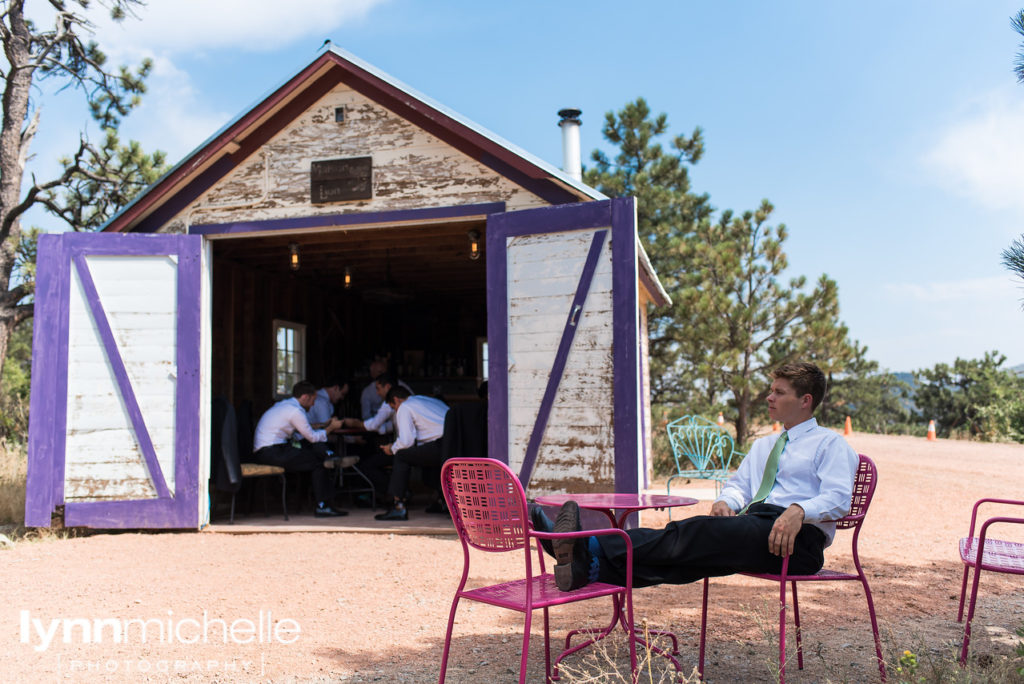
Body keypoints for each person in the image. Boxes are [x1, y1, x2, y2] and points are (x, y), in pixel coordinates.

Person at [534, 362, 859, 592]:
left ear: (805, 401)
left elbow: (838, 498)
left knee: (697, 534)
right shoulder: (765, 445)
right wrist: (725, 501)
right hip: (757, 526)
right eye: (771, 390)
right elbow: (740, 487)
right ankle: (588, 569)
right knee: (694, 559)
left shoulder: (830, 444)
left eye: (779, 392)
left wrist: (799, 511)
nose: (769, 398)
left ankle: (589, 544)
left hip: (797, 542)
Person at [251, 380, 348, 518]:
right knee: (319, 462)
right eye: (313, 400)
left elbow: (301, 432)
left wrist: (323, 425)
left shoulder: (284, 405)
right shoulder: (295, 411)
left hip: (268, 451)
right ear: (305, 397)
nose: (313, 404)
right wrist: (331, 428)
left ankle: (330, 457)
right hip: (273, 452)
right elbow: (312, 437)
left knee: (313, 454)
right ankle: (323, 506)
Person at [373, 386, 450, 521]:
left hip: (440, 444)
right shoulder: (429, 400)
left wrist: (391, 449)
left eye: (393, 407)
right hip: (455, 444)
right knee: (426, 464)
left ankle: (398, 506)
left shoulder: (405, 407)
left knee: (401, 456)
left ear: (396, 400)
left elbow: (406, 441)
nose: (395, 411)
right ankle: (442, 501)